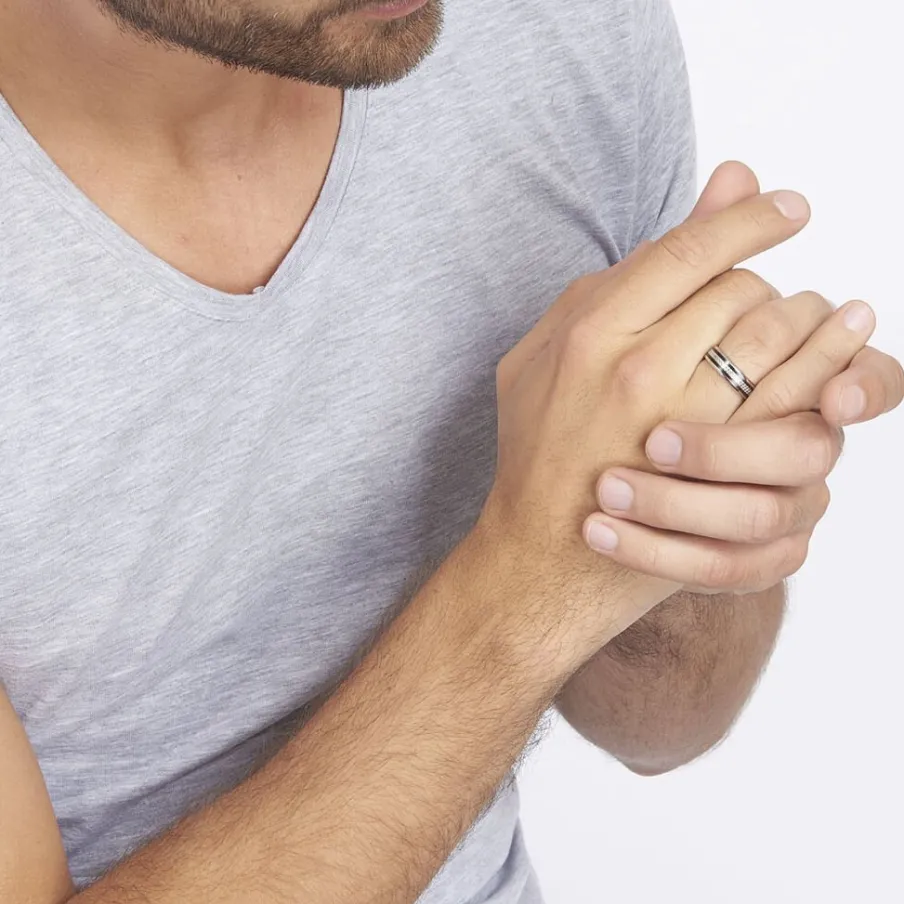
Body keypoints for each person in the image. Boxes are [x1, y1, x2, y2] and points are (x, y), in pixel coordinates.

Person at [0, 0, 901, 902]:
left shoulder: (561, 29)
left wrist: (685, 502)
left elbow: (664, 722)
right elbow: (537, 598)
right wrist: (523, 590)